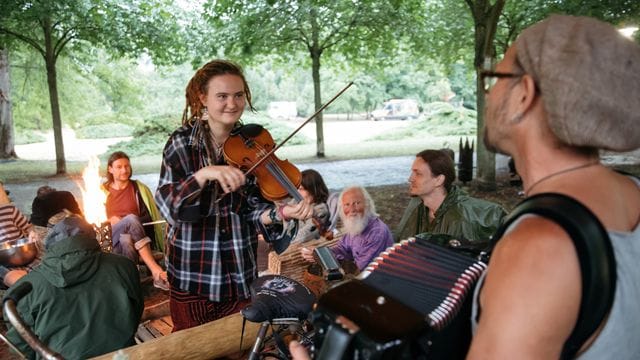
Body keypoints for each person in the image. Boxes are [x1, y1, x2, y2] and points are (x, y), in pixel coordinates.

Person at [466, 15, 640, 358]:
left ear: (523, 95)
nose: (488, 93)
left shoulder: (540, 247)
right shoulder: (633, 190)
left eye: (494, 78)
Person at [154, 59, 312, 332]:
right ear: (202, 98)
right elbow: (168, 206)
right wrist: (203, 175)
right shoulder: (181, 142)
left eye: (238, 95)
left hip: (239, 275)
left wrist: (283, 212)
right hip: (193, 279)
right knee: (193, 350)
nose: (232, 103)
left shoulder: (253, 143)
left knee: (238, 348)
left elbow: (250, 210)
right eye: (222, 96)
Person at [4, 215, 143, 359]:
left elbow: (21, 347)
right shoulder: (124, 267)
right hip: (122, 356)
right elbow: (135, 312)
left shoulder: (24, 289)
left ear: (49, 246)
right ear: (93, 237)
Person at [394, 149, 506, 242]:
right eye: (412, 173)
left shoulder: (464, 219)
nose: (410, 179)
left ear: (439, 180)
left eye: (418, 174)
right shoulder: (416, 207)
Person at [103, 151, 168, 290]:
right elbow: (94, 221)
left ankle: (132, 283)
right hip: (110, 238)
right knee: (130, 220)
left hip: (134, 237)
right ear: (110, 169)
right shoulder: (101, 191)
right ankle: (155, 271)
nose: (124, 170)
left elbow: (149, 220)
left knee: (127, 237)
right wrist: (110, 220)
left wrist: (125, 221)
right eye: (119, 167)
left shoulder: (138, 189)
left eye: (127, 166)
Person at [300, 186, 393, 272]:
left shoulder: (376, 232)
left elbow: (360, 270)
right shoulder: (358, 225)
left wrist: (323, 258)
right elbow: (342, 249)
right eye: (347, 205)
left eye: (356, 203)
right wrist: (320, 253)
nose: (352, 209)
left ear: (367, 205)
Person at [0, 181, 36, 287]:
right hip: (3, 259)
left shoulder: (10, 210)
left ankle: (30, 276)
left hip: (23, 251)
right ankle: (18, 281)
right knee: (5, 273)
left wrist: (32, 234)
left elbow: (28, 228)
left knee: (41, 256)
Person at [291, 169, 331, 243]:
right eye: (296, 189)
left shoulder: (321, 211)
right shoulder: (296, 201)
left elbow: (303, 237)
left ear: (313, 190)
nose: (297, 193)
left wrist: (278, 241)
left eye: (301, 189)